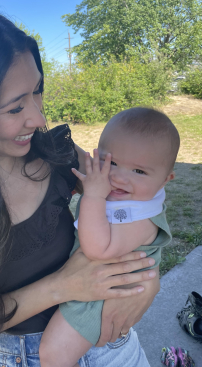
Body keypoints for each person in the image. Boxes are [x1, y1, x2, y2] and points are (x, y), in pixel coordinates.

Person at [0, 6, 159, 366]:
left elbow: (143, 195)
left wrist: (149, 280)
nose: (38, 117)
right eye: (14, 107)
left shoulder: (58, 153)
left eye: (37, 91)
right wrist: (63, 286)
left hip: (111, 345)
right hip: (19, 357)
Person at [39, 108, 180, 367]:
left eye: (139, 171)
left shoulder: (141, 217)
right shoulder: (133, 198)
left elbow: (97, 250)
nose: (118, 176)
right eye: (111, 163)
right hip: (95, 284)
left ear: (165, 181)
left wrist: (93, 195)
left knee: (53, 354)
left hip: (101, 300)